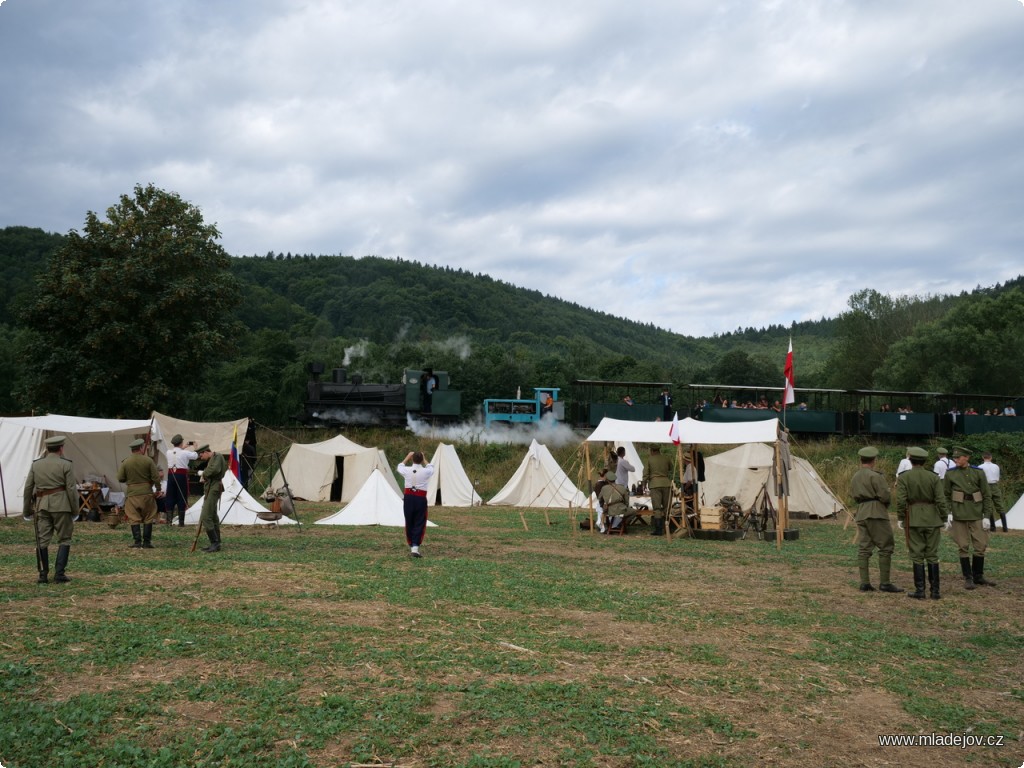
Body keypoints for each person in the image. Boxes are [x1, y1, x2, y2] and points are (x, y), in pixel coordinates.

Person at [895, 447, 949, 599]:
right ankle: (935, 591)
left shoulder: (904, 477)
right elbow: (940, 500)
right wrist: (944, 518)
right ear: (925, 461)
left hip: (913, 518)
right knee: (932, 554)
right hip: (932, 518)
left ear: (910, 459)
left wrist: (900, 518)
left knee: (917, 555)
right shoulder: (933, 477)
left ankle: (920, 591)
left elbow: (901, 501)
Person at [23, 435, 78, 584]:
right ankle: (59, 574)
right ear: (61, 448)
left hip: (42, 505)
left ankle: (43, 574)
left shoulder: (36, 465)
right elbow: (71, 489)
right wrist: (75, 510)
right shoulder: (66, 465)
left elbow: (28, 488)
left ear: (47, 449)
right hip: (62, 505)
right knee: (65, 538)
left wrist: (26, 510)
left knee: (42, 540)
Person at [850, 446, 903, 593]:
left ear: (861, 460)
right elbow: (885, 496)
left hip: (861, 511)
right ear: (874, 460)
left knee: (864, 547)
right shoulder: (876, 476)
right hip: (876, 512)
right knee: (886, 546)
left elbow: (854, 495)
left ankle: (864, 582)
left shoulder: (855, 476)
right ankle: (885, 583)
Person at [944, 446, 995, 589]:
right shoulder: (950, 474)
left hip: (976, 513)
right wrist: (948, 513)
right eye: (954, 458)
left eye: (958, 458)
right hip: (958, 514)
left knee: (981, 545)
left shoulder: (978, 472)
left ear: (966, 458)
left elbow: (986, 495)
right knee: (963, 546)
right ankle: (968, 577)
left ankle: (978, 576)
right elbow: (946, 495)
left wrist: (986, 515)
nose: (955, 460)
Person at [118, 438, 162, 549]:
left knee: (133, 517)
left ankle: (137, 542)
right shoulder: (148, 461)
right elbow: (156, 477)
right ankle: (147, 542)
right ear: (141, 448)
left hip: (132, 494)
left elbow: (120, 478)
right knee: (149, 516)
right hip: (147, 493)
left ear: (132, 449)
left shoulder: (126, 462)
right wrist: (158, 489)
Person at [397, 451, 435, 557]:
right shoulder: (426, 471)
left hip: (409, 497)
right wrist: (424, 459)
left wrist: (407, 457)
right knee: (419, 521)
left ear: (412, 459)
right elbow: (431, 467)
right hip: (420, 498)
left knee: (409, 520)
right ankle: (415, 547)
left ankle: (411, 544)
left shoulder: (406, 470)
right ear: (421, 459)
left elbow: (400, 466)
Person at [197, 445, 227, 552]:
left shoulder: (217, 457)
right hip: (211, 487)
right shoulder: (213, 458)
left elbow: (214, 470)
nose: (201, 458)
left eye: (201, 455)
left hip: (213, 488)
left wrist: (203, 473)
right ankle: (216, 542)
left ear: (205, 452)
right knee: (213, 516)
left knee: (205, 516)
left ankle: (215, 542)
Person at [165, 434, 199, 526]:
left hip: (171, 475)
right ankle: (181, 522)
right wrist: (195, 447)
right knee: (181, 496)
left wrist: (183, 447)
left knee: (170, 496)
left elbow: (177, 453)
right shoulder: (185, 453)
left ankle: (168, 521)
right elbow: (195, 456)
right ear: (181, 442)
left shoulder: (168, 452)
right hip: (181, 475)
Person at [643, 445, 673, 536]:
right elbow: (671, 468)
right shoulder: (666, 458)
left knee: (657, 508)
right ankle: (668, 527)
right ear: (659, 450)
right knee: (666, 507)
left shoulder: (649, 459)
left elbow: (646, 473)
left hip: (655, 484)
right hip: (666, 483)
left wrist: (644, 483)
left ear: (651, 450)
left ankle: (658, 530)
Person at [979, 452, 1007, 533]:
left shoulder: (980, 467)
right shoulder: (996, 466)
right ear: (991, 457)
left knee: (988, 506)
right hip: (995, 486)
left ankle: (993, 527)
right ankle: (1005, 527)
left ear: (983, 457)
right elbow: (998, 477)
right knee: (1000, 506)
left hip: (986, 486)